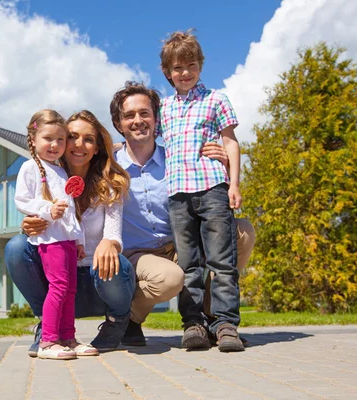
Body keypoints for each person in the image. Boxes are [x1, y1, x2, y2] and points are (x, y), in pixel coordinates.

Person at [108, 81, 255, 349]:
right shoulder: (111, 166)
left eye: (145, 113)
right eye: (129, 116)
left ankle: (215, 322)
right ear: (119, 123)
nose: (138, 121)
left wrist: (220, 157)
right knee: (170, 277)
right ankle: (128, 318)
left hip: (178, 245)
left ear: (157, 119)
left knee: (242, 231)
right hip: (138, 255)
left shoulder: (178, 160)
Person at [5, 110, 135, 356]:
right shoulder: (46, 173)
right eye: (72, 137)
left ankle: (113, 325)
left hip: (96, 279)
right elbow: (29, 202)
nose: (78, 144)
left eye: (88, 139)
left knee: (116, 261)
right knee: (16, 246)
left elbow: (113, 234)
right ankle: (49, 332)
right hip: (58, 266)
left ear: (97, 147)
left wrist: (108, 242)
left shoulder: (108, 183)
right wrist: (32, 222)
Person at [157, 30, 244, 352]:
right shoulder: (163, 108)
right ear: (168, 73)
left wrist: (234, 183)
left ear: (200, 66)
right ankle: (193, 324)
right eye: (178, 68)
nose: (185, 73)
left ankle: (225, 326)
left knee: (222, 261)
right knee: (189, 265)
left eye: (191, 65)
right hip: (178, 194)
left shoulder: (216, 99)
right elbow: (148, 143)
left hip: (212, 188)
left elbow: (230, 141)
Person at [14, 109, 89, 360]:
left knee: (70, 290)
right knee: (58, 287)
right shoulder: (30, 168)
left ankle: (68, 337)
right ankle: (48, 341)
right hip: (50, 240)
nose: (55, 145)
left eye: (60, 139)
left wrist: (78, 240)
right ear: (33, 139)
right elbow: (22, 200)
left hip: (66, 240)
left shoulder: (61, 171)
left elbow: (70, 212)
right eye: (48, 138)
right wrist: (47, 210)